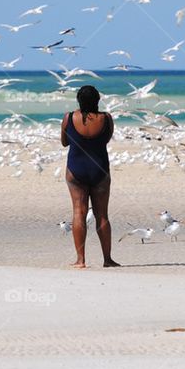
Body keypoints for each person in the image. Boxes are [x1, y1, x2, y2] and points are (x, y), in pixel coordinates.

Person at [60, 85, 119, 269]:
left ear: (78, 100)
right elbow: (106, 139)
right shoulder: (107, 118)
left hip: (76, 169)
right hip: (99, 169)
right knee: (102, 215)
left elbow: (64, 142)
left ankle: (81, 260)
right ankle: (107, 259)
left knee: (79, 212)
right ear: (98, 100)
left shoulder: (69, 117)